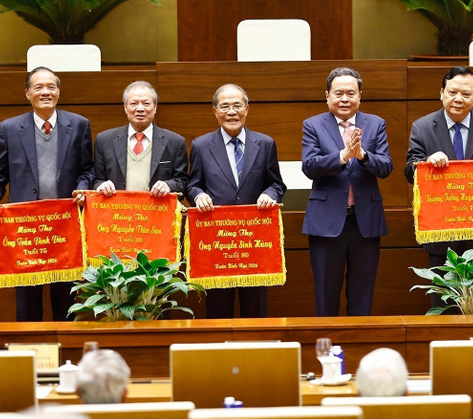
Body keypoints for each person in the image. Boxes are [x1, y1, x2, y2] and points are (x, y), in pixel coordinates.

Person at [0, 66, 94, 322]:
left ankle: (67, 359)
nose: (45, 92)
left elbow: (88, 170)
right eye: (39, 87)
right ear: (27, 93)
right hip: (25, 232)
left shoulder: (78, 125)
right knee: (27, 305)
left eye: (51, 87)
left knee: (66, 302)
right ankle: (30, 357)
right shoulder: (10, 128)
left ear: (58, 92)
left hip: (64, 229)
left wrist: (82, 188)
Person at [405, 66, 473, 312]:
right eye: (452, 92)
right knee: (445, 307)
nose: (458, 99)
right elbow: (409, 171)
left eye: (465, 93)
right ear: (441, 93)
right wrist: (426, 164)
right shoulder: (423, 127)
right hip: (442, 233)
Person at [187, 84, 286, 318]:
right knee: (218, 311)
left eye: (237, 106)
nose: (231, 112)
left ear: (247, 109)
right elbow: (192, 185)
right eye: (224, 106)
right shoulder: (201, 145)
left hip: (254, 245)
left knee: (256, 311)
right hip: (218, 244)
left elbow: (277, 184)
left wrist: (269, 195)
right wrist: (198, 196)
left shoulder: (265, 143)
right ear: (215, 111)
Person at [302, 67, 393, 317]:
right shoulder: (313, 125)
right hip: (326, 222)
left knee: (362, 293)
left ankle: (358, 349)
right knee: (326, 293)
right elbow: (309, 166)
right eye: (338, 93)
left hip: (365, 221)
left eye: (351, 93)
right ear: (327, 96)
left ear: (360, 96)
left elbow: (385, 167)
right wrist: (342, 156)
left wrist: (362, 155)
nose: (345, 98)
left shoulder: (375, 124)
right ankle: (327, 351)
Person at [94, 81, 188, 197]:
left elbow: (182, 183)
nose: (140, 109)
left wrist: (168, 185)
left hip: (157, 211)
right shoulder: (104, 140)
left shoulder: (175, 142)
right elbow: (96, 180)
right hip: (117, 212)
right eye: (133, 103)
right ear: (125, 107)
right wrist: (101, 185)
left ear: (155, 108)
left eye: (146, 103)